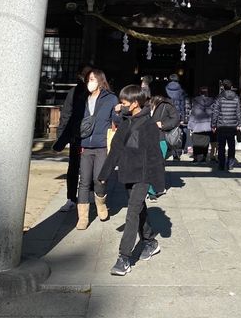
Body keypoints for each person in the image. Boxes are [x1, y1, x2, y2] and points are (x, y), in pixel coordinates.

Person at [99, 85, 165, 276]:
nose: (121, 105)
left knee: (131, 214)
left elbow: (155, 156)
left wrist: (159, 185)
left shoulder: (149, 125)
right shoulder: (126, 123)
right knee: (138, 209)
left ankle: (124, 257)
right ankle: (150, 241)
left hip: (143, 176)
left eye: (124, 103)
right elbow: (115, 151)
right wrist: (104, 174)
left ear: (135, 104)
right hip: (128, 173)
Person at [76, 68, 118, 230]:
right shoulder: (83, 98)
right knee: (84, 181)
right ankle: (83, 217)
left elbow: (116, 120)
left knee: (99, 179)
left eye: (93, 79)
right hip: (85, 144)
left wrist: (119, 113)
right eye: (88, 79)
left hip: (101, 145)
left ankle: (101, 203)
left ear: (100, 80)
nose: (90, 82)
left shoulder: (111, 98)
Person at [53, 64, 92, 213]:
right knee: (74, 168)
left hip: (94, 137)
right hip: (77, 135)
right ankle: (71, 198)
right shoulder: (74, 92)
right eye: (85, 74)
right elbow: (66, 114)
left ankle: (91, 194)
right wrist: (62, 135)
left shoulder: (100, 93)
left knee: (93, 167)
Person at [148, 94, 180, 199]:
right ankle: (152, 189)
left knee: (157, 164)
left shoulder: (167, 105)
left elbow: (175, 119)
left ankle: (154, 190)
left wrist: (162, 125)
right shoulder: (146, 105)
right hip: (147, 137)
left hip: (160, 138)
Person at [211, 79, 241, 171]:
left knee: (221, 146)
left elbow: (215, 112)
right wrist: (239, 124)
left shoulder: (219, 98)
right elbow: (238, 112)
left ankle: (221, 165)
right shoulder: (236, 97)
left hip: (221, 125)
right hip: (232, 126)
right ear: (231, 87)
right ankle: (230, 164)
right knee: (231, 145)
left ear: (223, 87)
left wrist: (213, 125)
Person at [188, 86, 214, 162]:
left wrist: (191, 126)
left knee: (196, 142)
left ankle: (195, 158)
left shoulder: (196, 102)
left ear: (200, 92)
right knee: (205, 142)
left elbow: (193, 114)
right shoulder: (211, 102)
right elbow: (213, 114)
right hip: (207, 126)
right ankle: (204, 157)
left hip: (197, 126)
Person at [165, 73, 187, 159]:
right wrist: (183, 116)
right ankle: (177, 152)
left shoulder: (165, 89)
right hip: (178, 113)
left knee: (168, 132)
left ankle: (169, 149)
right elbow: (183, 105)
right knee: (178, 133)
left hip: (167, 113)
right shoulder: (181, 91)